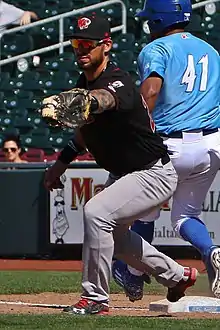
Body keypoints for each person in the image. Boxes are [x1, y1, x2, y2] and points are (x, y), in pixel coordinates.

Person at [43, 15, 198, 316]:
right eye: (76, 43)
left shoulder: (118, 81)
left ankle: (96, 298)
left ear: (107, 45)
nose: (81, 49)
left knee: (96, 212)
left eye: (88, 43)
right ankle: (177, 276)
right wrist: (60, 164)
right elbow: (83, 134)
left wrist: (88, 102)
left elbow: (105, 99)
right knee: (113, 234)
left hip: (153, 171)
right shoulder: (83, 83)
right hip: (130, 172)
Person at [112, 0, 220, 303]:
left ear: (159, 20)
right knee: (185, 215)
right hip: (211, 143)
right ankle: (212, 251)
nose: (148, 25)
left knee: (143, 213)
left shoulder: (156, 49)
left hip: (170, 144)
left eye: (150, 20)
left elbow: (152, 91)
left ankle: (133, 276)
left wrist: (131, 127)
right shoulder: (210, 50)